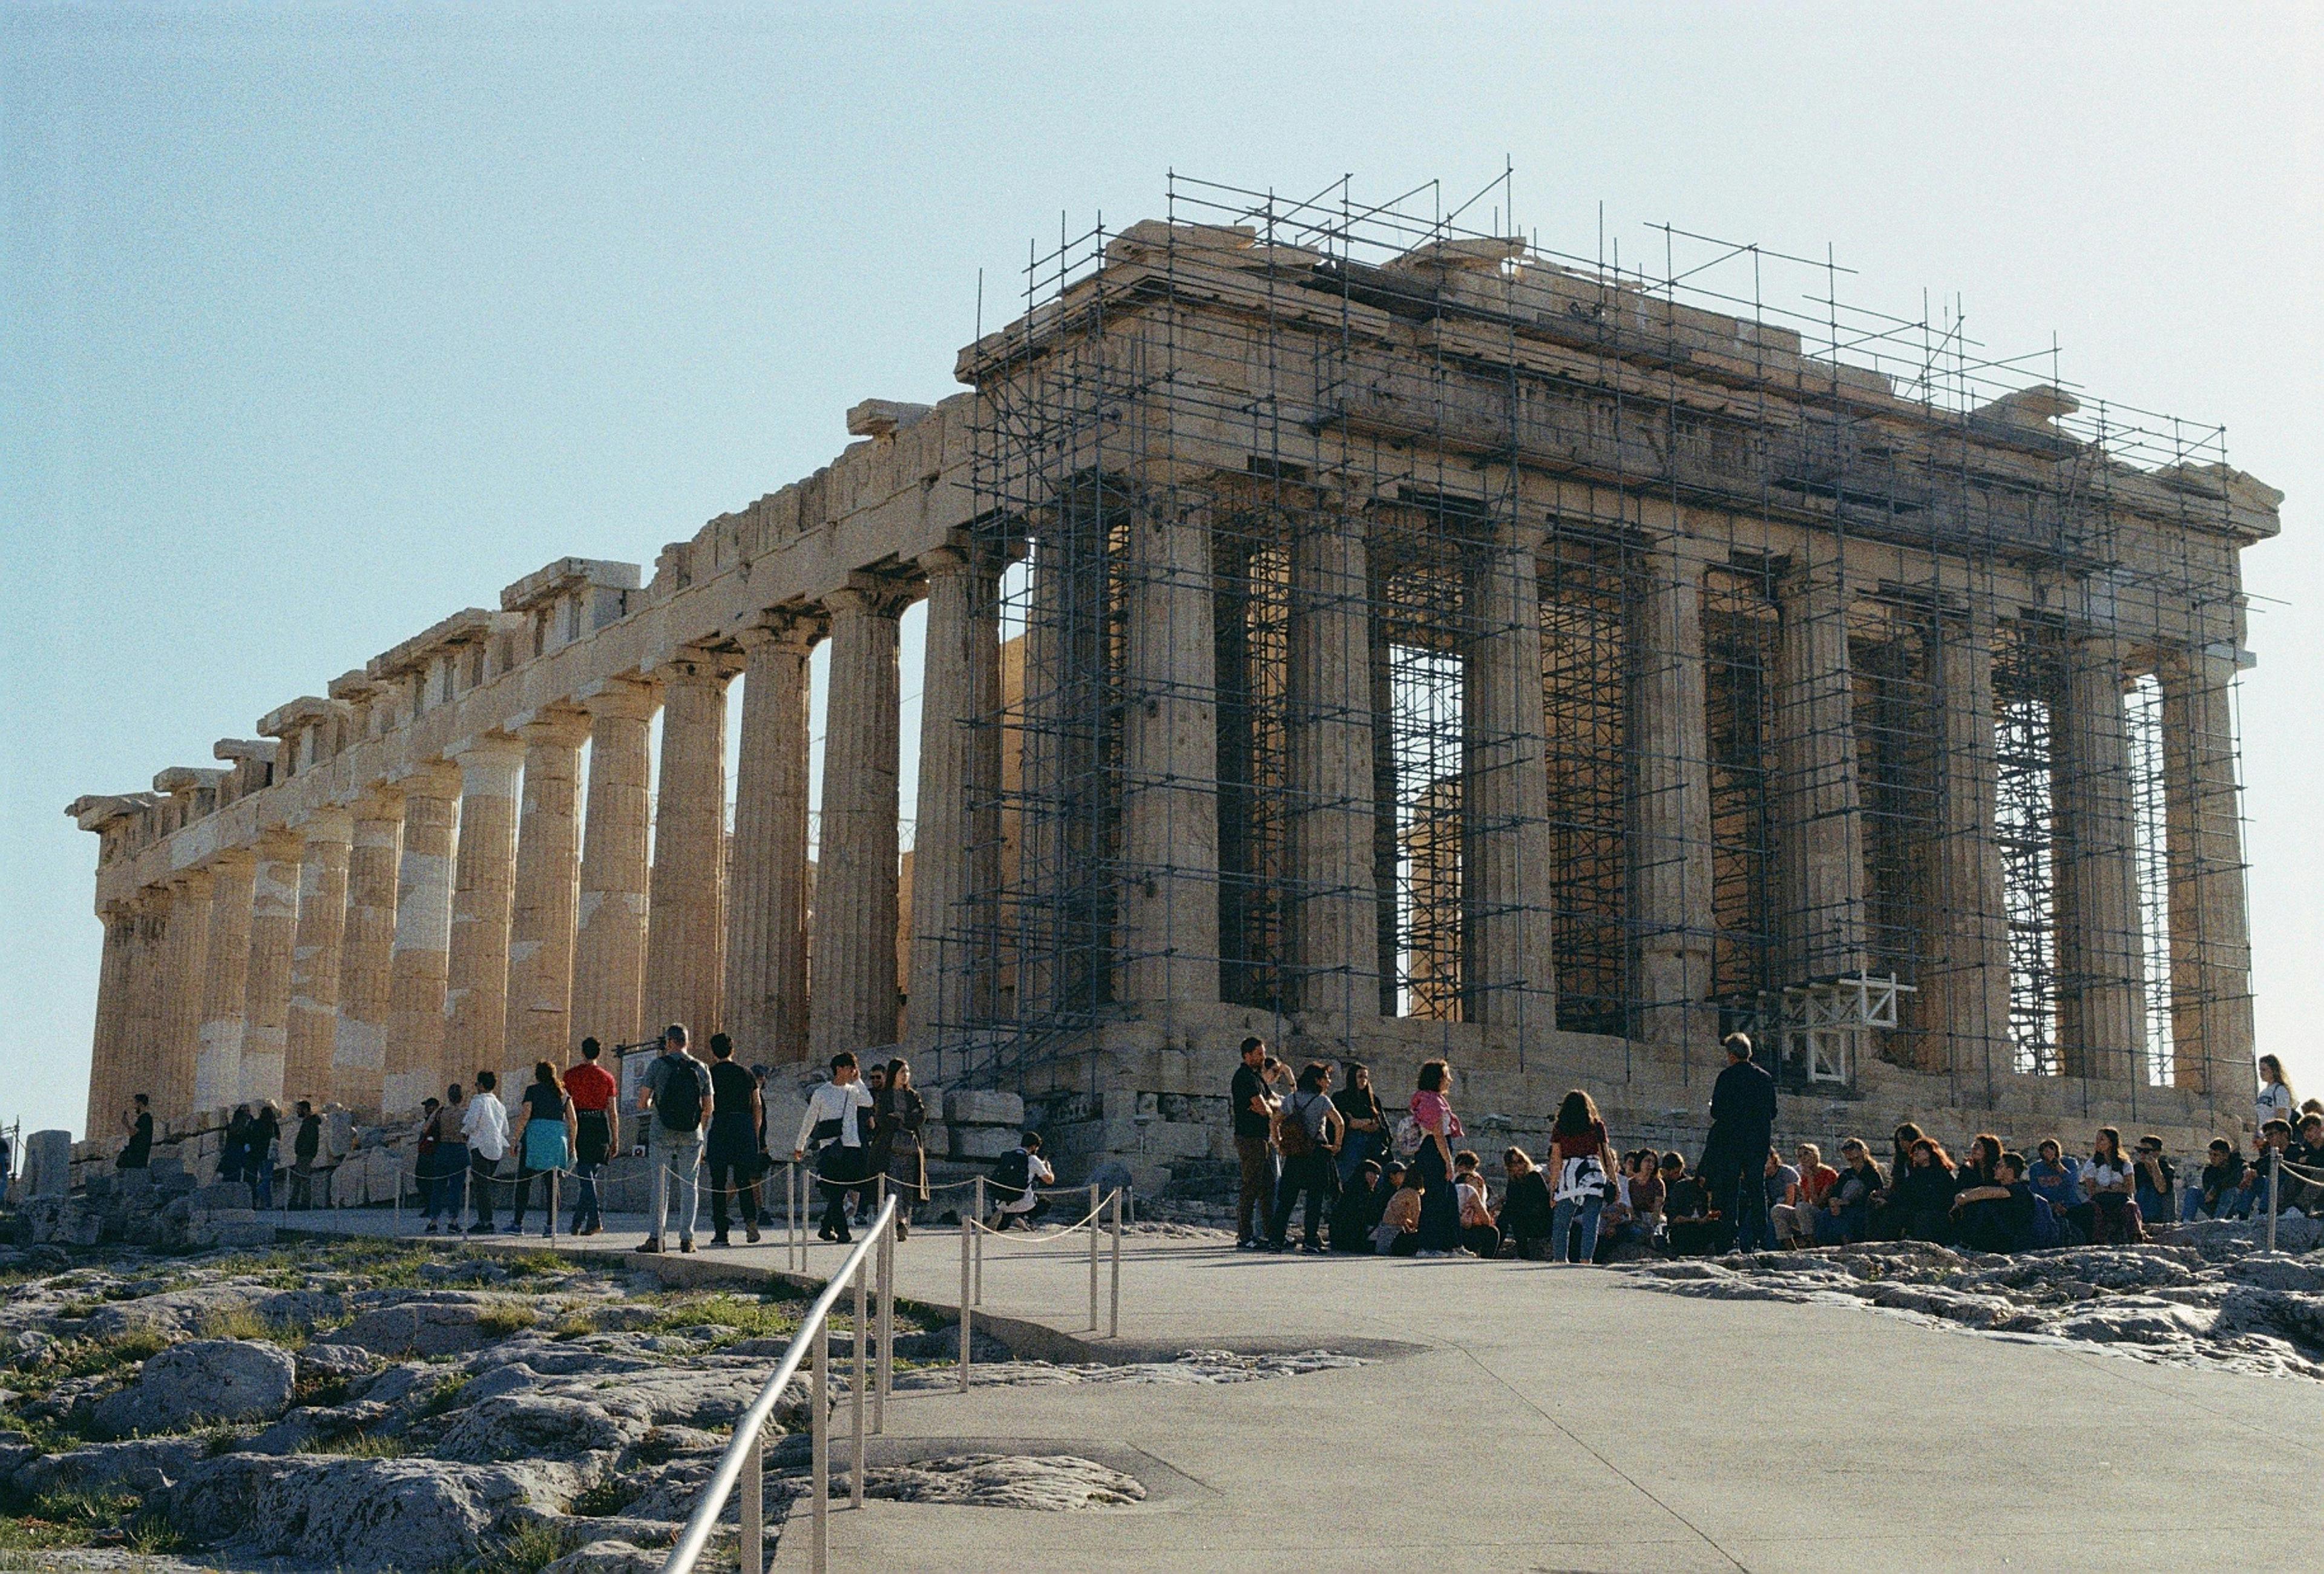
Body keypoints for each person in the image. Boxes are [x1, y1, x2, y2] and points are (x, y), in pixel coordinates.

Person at [1701, 1033, 1778, 1253]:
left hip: (1731, 1142)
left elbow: (1716, 1111)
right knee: (1757, 1190)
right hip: (1757, 1142)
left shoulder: (1726, 1077)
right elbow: (1773, 1112)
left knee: (1730, 1191)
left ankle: (1731, 1241)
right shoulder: (1764, 1077)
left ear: (1732, 1055)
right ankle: (1760, 1240)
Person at [640, 1024, 714, 1253]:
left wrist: (654, 1104)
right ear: (686, 1042)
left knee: (660, 1186)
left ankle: (656, 1238)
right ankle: (687, 1239)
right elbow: (709, 1108)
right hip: (692, 1133)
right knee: (690, 1186)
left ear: (669, 1042)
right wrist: (697, 1125)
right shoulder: (701, 1068)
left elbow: (642, 1102)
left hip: (661, 1131)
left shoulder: (657, 1065)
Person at [791, 1049, 871, 1245]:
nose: (853, 1071)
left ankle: (826, 1228)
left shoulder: (853, 1091)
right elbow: (810, 1119)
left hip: (851, 1145)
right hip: (831, 1147)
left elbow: (868, 1102)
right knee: (834, 1192)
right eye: (850, 1068)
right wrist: (800, 1144)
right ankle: (843, 1232)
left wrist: (858, 1081)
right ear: (839, 1069)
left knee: (841, 1191)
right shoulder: (822, 1093)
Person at [1267, 1062, 1345, 1253]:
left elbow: (1275, 1122)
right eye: (1326, 1078)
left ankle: (1276, 1240)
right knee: (1314, 1199)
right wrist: (1337, 1145)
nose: (1329, 1082)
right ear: (1317, 1080)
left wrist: (1279, 1143)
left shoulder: (1291, 1099)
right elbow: (1339, 1123)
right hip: (1316, 1152)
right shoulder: (1322, 1101)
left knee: (1287, 1200)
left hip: (1295, 1153)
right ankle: (1310, 1240)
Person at [703, 1033, 763, 1248]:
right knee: (743, 1180)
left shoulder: (709, 1074)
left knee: (718, 1182)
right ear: (733, 1050)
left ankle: (721, 1233)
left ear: (713, 1052)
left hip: (721, 1125)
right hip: (743, 1126)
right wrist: (755, 1132)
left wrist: (702, 1134)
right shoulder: (747, 1073)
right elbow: (757, 1105)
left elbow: (706, 1107)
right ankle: (751, 1222)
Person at [1546, 1089, 1613, 1265]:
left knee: (1562, 1221)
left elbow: (1556, 1159)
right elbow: (1605, 1155)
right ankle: (1586, 1259)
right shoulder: (1597, 1126)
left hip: (1570, 1173)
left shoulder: (1560, 1128)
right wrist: (1614, 1181)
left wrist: (1553, 1187)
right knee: (1591, 1220)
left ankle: (1560, 1258)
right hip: (1593, 1171)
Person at [509, 1062, 576, 1238]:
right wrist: (572, 1144)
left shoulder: (532, 1091)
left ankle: (518, 1224)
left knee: (524, 1182)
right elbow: (573, 1122)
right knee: (552, 1184)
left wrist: (515, 1139)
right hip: (556, 1139)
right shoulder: (563, 1093)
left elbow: (525, 1116)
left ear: (537, 1075)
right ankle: (551, 1226)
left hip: (534, 1138)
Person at [563, 1038, 620, 1236]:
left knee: (586, 1176)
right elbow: (612, 1112)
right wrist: (615, 1138)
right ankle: (577, 1223)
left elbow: (565, 1105)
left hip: (580, 1124)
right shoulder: (607, 1077)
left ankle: (594, 1220)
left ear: (582, 1052)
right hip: (599, 1125)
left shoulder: (570, 1076)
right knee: (589, 1176)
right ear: (599, 1053)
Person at [1410, 1059, 1465, 1257]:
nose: (1450, 1079)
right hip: (1435, 1153)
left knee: (1449, 1199)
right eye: (1446, 1075)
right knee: (1435, 1199)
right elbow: (1438, 1134)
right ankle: (1428, 1246)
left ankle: (1452, 1245)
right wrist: (1449, 1163)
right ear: (1437, 1079)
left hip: (1433, 1152)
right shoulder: (1432, 1102)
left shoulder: (1431, 1099)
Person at [1229, 1038, 1278, 1250]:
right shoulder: (1243, 1077)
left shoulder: (1258, 1077)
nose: (1263, 1058)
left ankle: (1270, 1233)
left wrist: (1267, 1106)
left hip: (1263, 1137)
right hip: (1249, 1138)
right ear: (1247, 1055)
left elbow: (1274, 1101)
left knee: (1268, 1186)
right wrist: (1267, 1107)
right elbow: (1263, 1108)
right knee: (1251, 1186)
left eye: (1263, 1053)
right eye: (1259, 1054)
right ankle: (1245, 1235)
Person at [875, 1057, 929, 1239]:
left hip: (911, 1148)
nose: (905, 1075)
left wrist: (901, 1116)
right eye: (902, 1072)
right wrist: (902, 1119)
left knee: (908, 1189)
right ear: (894, 1074)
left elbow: (921, 1116)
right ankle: (900, 1220)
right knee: (893, 1187)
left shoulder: (912, 1096)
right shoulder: (885, 1096)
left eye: (907, 1072)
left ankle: (905, 1222)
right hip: (891, 1148)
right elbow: (882, 1119)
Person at [1952, 1150, 2039, 1253]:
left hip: (2013, 1242)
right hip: (2002, 1240)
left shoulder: (2019, 1189)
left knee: (1982, 1206)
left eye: (1999, 1166)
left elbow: (1984, 1192)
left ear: (2010, 1171)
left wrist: (1963, 1199)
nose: (1994, 1169)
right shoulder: (2005, 1188)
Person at [462, 1072, 510, 1235]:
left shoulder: (478, 1101)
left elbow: (471, 1123)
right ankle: (485, 1220)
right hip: (496, 1150)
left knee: (481, 1188)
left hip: (480, 1148)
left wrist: (465, 1132)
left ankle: (486, 1222)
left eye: (477, 1084)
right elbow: (505, 1130)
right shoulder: (500, 1105)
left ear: (482, 1085)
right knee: (485, 1186)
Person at [1814, 1139, 1884, 1246]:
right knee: (1827, 1214)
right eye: (1845, 1150)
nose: (1848, 1152)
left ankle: (1847, 1243)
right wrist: (1834, 1202)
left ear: (1862, 1151)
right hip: (1842, 1205)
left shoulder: (1871, 1173)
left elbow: (1873, 1194)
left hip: (1862, 1207)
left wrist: (1849, 1203)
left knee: (1849, 1213)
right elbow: (1836, 1192)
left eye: (1851, 1149)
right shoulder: (1846, 1174)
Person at [1331, 1061, 1388, 1189]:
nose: (1364, 1080)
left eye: (1366, 1077)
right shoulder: (1341, 1098)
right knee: (1347, 1179)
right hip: (1350, 1146)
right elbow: (1349, 1123)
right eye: (1360, 1076)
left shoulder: (1373, 1100)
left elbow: (1378, 1125)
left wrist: (1361, 1122)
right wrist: (1367, 1121)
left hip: (1372, 1146)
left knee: (1376, 1179)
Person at [1890, 1138, 1960, 1243]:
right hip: (1917, 1212)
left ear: (1930, 1153)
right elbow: (1903, 1194)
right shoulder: (1915, 1175)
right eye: (1914, 1150)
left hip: (1935, 1216)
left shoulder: (1942, 1174)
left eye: (1920, 1149)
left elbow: (1944, 1199)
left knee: (1923, 1218)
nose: (1916, 1153)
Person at [2081, 1127, 2141, 1245]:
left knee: (2131, 1207)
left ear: (2111, 1142)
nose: (2098, 1143)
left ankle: (2136, 1238)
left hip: (2120, 1199)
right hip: (2100, 1199)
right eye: (2097, 1139)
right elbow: (2091, 1190)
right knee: (2093, 1208)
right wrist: (2102, 1189)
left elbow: (2130, 1188)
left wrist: (2119, 1188)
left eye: (2102, 1139)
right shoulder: (2092, 1164)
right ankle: (2097, 1240)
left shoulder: (2125, 1164)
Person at [1771, 1142, 1837, 1248]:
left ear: (1815, 1154)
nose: (1803, 1158)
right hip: (1806, 1215)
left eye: (1806, 1153)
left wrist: (1811, 1179)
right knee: (1778, 1210)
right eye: (1800, 1156)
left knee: (1802, 1207)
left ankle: (1812, 1244)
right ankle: (1790, 1247)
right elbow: (1805, 1201)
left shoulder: (1829, 1174)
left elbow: (1819, 1203)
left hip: (1823, 1215)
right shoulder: (1804, 1177)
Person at [1497, 1147, 1556, 1259]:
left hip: (1541, 1221)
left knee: (1512, 1213)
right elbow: (1511, 1201)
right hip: (1524, 1220)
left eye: (1520, 1161)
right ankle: (1497, 1246)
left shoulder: (1534, 1176)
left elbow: (1542, 1204)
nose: (1519, 1166)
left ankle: (1514, 1252)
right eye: (1514, 1164)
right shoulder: (1513, 1181)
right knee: (1509, 1213)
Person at [422, 1087, 468, 1232]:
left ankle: (433, 1222)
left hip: (442, 1149)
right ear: (462, 1098)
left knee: (438, 1187)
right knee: (456, 1188)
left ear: (448, 1096)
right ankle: (453, 1222)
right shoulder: (465, 1113)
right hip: (459, 1149)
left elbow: (425, 1129)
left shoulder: (440, 1112)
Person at [987, 1132, 1054, 1230]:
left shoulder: (1007, 1156)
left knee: (1003, 1226)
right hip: (1023, 1201)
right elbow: (1049, 1181)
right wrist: (1048, 1168)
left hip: (1001, 1200)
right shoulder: (1032, 1159)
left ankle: (1003, 1215)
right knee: (1045, 1203)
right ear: (1033, 1147)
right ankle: (1025, 1218)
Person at [855, 1063, 890, 1227]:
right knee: (866, 1176)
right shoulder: (868, 1095)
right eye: (872, 1078)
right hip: (869, 1140)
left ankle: (883, 1211)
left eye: (878, 1077)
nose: (875, 1080)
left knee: (885, 1178)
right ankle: (862, 1211)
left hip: (885, 1141)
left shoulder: (890, 1095)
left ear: (885, 1077)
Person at [1663, 1153, 1718, 1255]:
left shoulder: (1709, 1192)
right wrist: (1696, 1220)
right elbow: (1674, 1218)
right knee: (1685, 1232)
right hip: (1684, 1228)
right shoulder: (1682, 1187)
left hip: (1702, 1230)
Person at [1331, 1158, 1387, 1252]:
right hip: (1347, 1236)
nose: (1376, 1178)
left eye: (1377, 1175)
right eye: (1372, 1174)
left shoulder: (1371, 1192)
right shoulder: (1354, 1191)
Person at [2027, 1139, 2081, 1225]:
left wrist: (2057, 1164)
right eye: (2045, 1150)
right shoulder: (2035, 1168)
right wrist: (2052, 1205)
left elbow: (2072, 1182)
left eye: (2051, 1149)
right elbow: (2035, 1191)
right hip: (2047, 1208)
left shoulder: (2070, 1163)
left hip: (2069, 1205)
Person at [2193, 1138, 2248, 1221]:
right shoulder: (2209, 1171)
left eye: (2215, 1155)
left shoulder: (2239, 1165)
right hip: (2216, 1204)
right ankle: (2187, 1220)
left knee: (2230, 1190)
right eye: (2210, 1154)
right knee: (2193, 1191)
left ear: (2225, 1156)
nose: (2212, 1158)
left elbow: (2235, 1179)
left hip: (2235, 1207)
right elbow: (2208, 1193)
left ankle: (2218, 1220)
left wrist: (2216, 1188)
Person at [1373, 1167, 1423, 1256]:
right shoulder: (1412, 1194)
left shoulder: (1401, 1192)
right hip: (1394, 1240)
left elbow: (1400, 1217)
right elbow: (1417, 1222)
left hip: (1383, 1241)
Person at [1759, 1147, 1800, 1248]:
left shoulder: (1786, 1172)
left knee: (1776, 1211)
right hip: (1772, 1207)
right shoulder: (1763, 1178)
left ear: (1773, 1158)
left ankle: (1770, 1247)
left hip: (1790, 1209)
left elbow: (1790, 1201)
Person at [2133, 1135, 2178, 1228]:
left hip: (2162, 1211)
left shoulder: (2166, 1168)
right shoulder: (2137, 1168)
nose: (2142, 1154)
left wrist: (2154, 1165)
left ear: (2157, 1152)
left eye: (2146, 1151)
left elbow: (2162, 1189)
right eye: (2140, 1150)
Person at [289, 1101, 322, 1209]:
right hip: (303, 1154)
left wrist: (302, 1151)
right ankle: (294, 1202)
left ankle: (305, 1202)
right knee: (298, 1179)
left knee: (304, 1179)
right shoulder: (308, 1122)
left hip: (305, 1155)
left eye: (299, 1109)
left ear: (306, 1110)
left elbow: (310, 1140)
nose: (297, 1111)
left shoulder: (311, 1123)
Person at [248, 1102, 281, 1209]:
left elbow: (252, 1138)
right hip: (269, 1154)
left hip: (258, 1154)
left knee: (264, 1178)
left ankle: (268, 1203)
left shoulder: (257, 1124)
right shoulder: (273, 1125)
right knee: (267, 1179)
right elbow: (278, 1138)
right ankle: (259, 1192)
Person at [2256, 1053, 2297, 1131]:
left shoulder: (2280, 1090)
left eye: (2264, 1070)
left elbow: (2282, 1117)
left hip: (2274, 1134)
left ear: (2273, 1071)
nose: (2261, 1073)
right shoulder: (2262, 1093)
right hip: (2262, 1134)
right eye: (2260, 1070)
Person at [116, 1095, 153, 1171]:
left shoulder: (145, 1118)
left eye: (135, 1104)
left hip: (138, 1156)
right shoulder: (143, 1118)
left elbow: (133, 1133)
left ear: (140, 1104)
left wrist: (126, 1124)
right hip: (136, 1154)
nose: (134, 1107)